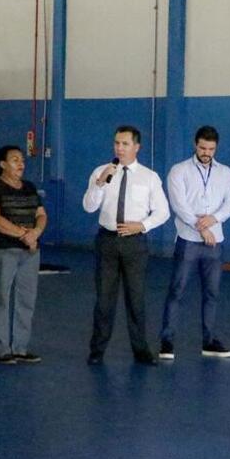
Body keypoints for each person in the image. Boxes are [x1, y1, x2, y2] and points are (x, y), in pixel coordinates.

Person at [83, 125, 169, 366]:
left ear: (136, 147)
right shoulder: (101, 171)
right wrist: (99, 184)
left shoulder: (149, 177)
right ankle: (97, 350)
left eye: (125, 144)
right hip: (107, 240)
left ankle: (141, 350)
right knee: (104, 300)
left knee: (136, 299)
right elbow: (88, 207)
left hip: (134, 243)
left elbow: (163, 212)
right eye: (116, 143)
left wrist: (142, 225)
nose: (119, 148)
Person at [159, 125, 230, 360]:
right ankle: (167, 341)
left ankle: (209, 340)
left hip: (215, 242)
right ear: (195, 145)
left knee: (212, 293)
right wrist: (201, 227)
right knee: (177, 290)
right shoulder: (179, 170)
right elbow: (178, 205)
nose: (206, 153)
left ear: (216, 148)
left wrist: (213, 219)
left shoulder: (225, 172)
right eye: (203, 148)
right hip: (188, 241)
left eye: (211, 149)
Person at [0, 145, 47, 364]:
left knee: (26, 299)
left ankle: (20, 347)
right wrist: (24, 235)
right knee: (0, 298)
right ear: (3, 164)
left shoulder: (29, 187)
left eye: (22, 160)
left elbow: (41, 214)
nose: (21, 164)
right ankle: (2, 349)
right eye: (15, 160)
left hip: (29, 252)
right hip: (2, 250)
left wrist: (35, 233)